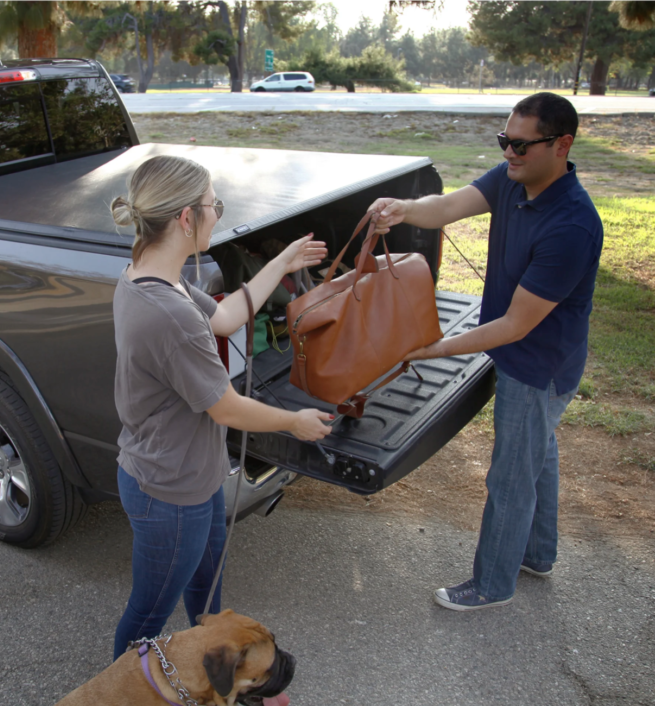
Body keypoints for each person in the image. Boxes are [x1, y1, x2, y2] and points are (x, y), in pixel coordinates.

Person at [367, 92, 604, 611]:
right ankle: (537, 553)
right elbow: (449, 206)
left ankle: (492, 584)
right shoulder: (513, 180)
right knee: (536, 451)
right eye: (504, 141)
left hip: (538, 364)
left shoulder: (571, 225)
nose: (509, 153)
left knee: (511, 473)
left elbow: (516, 325)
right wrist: (403, 208)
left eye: (521, 144)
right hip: (530, 357)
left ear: (562, 144)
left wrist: (431, 349)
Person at [109, 155, 334, 670]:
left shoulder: (151, 276)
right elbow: (226, 408)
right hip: (168, 492)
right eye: (215, 206)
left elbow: (228, 316)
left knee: (208, 596)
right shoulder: (168, 314)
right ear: (187, 219)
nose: (218, 214)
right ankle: (123, 691)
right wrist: (294, 422)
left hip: (196, 476)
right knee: (148, 616)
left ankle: (212, 675)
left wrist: (282, 262)